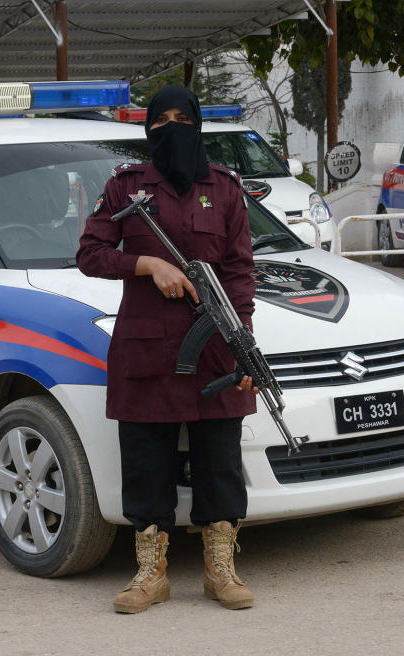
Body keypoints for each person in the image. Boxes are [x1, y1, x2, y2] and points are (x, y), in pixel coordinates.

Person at [76, 85, 258, 613]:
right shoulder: (127, 188)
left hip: (215, 348)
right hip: (146, 347)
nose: (172, 128)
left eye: (183, 118)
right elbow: (90, 253)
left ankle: (220, 568)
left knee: (219, 459)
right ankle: (149, 573)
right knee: (146, 460)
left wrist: (242, 338)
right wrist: (145, 265)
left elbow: (240, 271)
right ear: (148, 128)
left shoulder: (223, 188)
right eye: (162, 120)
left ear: (198, 124)